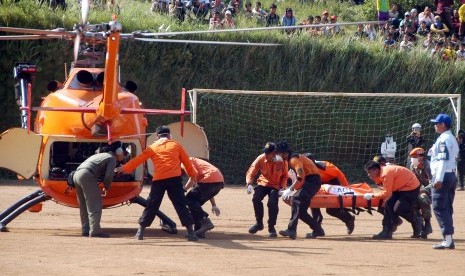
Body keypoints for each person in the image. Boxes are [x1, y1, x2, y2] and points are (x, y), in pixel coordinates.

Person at [117, 126, 199, 241]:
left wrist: (124, 168)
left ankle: (140, 232)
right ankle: (191, 233)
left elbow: (138, 160)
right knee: (180, 204)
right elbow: (187, 163)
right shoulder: (176, 145)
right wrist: (193, 175)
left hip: (159, 179)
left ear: (157, 136)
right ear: (169, 136)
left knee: (152, 204)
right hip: (175, 179)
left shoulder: (153, 147)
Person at [73, 141, 125, 238]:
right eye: (124, 153)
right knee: (95, 203)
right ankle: (95, 231)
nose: (124, 156)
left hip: (77, 174)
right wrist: (107, 187)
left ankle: (86, 229)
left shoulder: (101, 156)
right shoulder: (111, 158)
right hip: (87, 175)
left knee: (84, 205)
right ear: (119, 152)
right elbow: (108, 176)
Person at [276, 142, 325, 239]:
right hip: (310, 181)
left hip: (312, 181)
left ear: (284, 153)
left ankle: (291, 230)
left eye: (278, 153)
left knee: (295, 199)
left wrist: (290, 189)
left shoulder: (293, 159)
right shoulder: (291, 159)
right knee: (301, 211)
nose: (277, 155)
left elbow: (301, 175)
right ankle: (318, 230)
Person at [364, 161, 422, 240]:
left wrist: (372, 195)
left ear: (375, 170)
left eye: (369, 172)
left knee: (399, 208)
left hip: (411, 187)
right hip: (400, 188)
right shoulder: (381, 173)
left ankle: (417, 221)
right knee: (387, 204)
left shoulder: (386, 173)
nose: (368, 175)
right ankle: (386, 231)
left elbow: (387, 193)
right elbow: (384, 188)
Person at [302, 153, 355, 235]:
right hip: (317, 183)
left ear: (312, 162)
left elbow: (339, 174)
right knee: (313, 202)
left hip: (332, 182)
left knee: (331, 210)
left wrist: (346, 189)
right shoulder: (304, 168)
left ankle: (349, 219)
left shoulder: (326, 167)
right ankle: (317, 228)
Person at [429, 113, 459, 249]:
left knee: (439, 206)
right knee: (446, 207)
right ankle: (448, 238)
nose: (435, 126)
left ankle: (447, 239)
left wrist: (438, 178)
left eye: (436, 123)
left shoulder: (443, 139)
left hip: (443, 176)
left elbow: (442, 160)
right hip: (450, 175)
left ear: (442, 125)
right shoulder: (450, 138)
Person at [245, 142, 288, 238]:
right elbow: (251, 171)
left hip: (276, 186)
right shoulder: (261, 158)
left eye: (268, 152)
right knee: (256, 199)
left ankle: (271, 227)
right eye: (265, 152)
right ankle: (259, 223)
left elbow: (285, 176)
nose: (265, 154)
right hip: (263, 183)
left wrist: (282, 188)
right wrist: (249, 184)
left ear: (274, 153)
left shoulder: (282, 161)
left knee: (272, 203)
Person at [184, 157, 224, 238]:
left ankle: (205, 221)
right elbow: (206, 190)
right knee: (195, 203)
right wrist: (214, 205)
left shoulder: (185, 162)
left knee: (189, 199)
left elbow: (193, 177)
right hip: (219, 182)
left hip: (210, 180)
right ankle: (199, 230)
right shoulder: (195, 161)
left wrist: (184, 189)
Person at [409, 147, 434, 239]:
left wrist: (423, 190)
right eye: (412, 157)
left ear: (421, 157)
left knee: (423, 198)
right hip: (418, 189)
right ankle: (419, 227)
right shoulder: (412, 166)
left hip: (431, 190)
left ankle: (427, 225)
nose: (413, 159)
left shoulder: (429, 166)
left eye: (415, 157)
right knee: (412, 202)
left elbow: (433, 183)